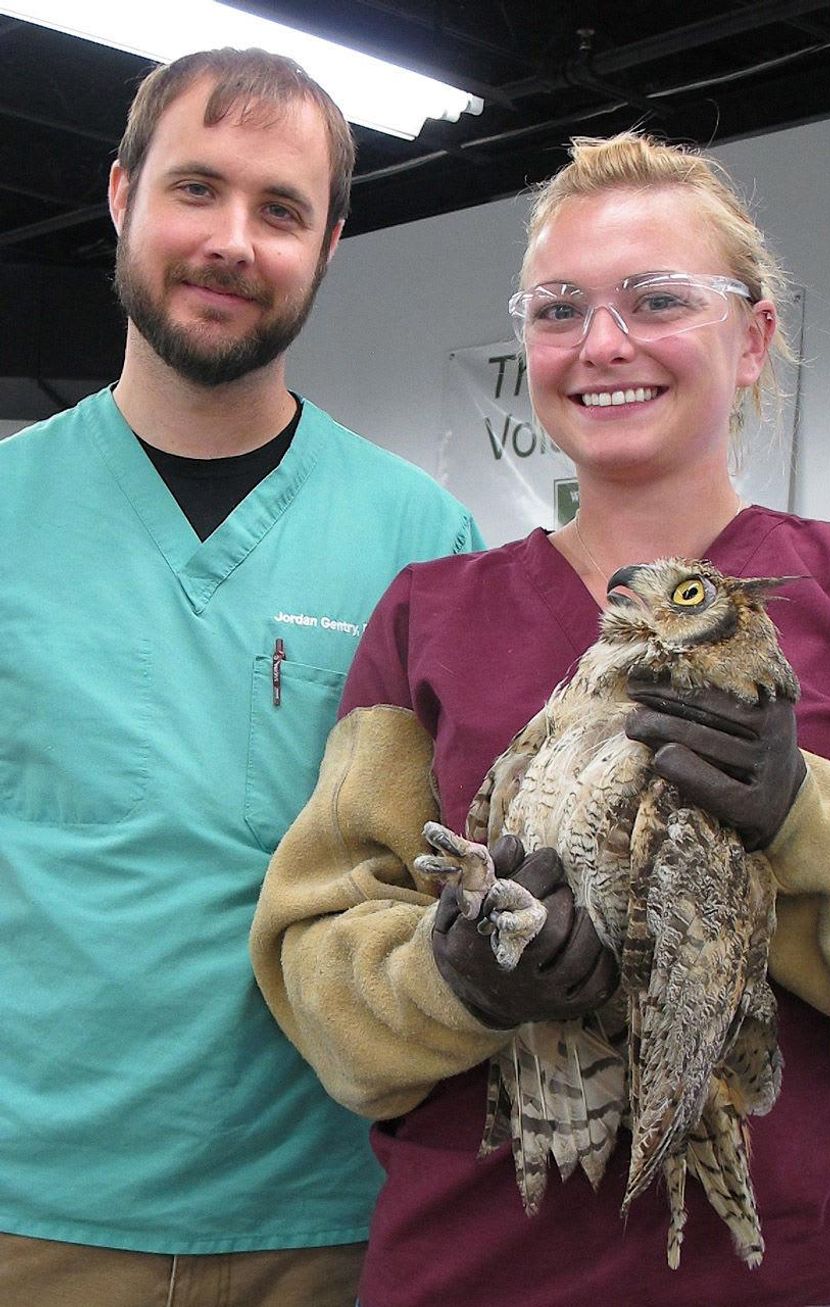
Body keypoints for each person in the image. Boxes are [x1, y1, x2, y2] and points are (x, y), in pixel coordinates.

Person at [250, 133, 830, 1307]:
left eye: (655, 300)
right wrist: (455, 979)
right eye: (557, 309)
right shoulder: (431, 613)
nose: (601, 343)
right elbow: (317, 963)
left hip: (776, 1278)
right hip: (468, 1271)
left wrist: (807, 818)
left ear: (751, 339)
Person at [0, 46, 481, 1307]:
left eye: (279, 210)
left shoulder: (423, 540)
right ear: (120, 197)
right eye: (195, 190)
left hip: (327, 1212)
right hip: (32, 1210)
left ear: (328, 243)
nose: (231, 240)